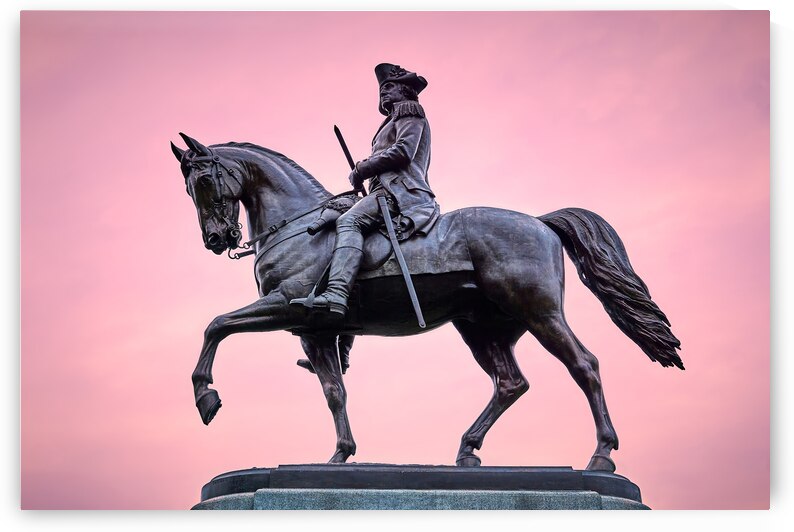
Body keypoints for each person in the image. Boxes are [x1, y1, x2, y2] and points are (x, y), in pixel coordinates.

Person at [291, 63, 440, 317]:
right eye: (382, 88)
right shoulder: (390, 121)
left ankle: (337, 293)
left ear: (405, 90)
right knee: (336, 210)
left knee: (350, 222)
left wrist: (362, 169)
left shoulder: (408, 110)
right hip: (383, 192)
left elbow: (403, 151)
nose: (383, 92)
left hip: (400, 194)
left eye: (389, 86)